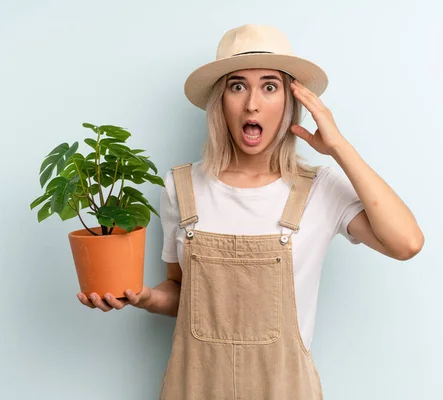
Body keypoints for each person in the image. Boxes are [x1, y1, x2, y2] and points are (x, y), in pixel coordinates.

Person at [77, 24, 424, 399]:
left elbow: (406, 243)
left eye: (270, 86)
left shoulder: (319, 189)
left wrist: (338, 146)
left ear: (291, 103)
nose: (252, 104)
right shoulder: (181, 187)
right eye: (237, 86)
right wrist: (146, 298)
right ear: (220, 101)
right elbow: (182, 293)